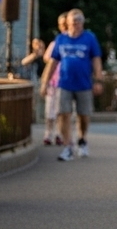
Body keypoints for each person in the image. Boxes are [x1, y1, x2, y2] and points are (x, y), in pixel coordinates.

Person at [40, 9, 103, 162]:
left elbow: (96, 60)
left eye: (78, 21)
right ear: (67, 23)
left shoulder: (89, 38)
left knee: (84, 115)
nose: (75, 24)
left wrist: (98, 80)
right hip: (64, 83)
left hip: (84, 84)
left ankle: (82, 139)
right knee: (63, 114)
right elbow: (53, 62)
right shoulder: (61, 39)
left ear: (83, 23)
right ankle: (68, 146)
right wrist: (45, 82)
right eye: (73, 21)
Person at [41, 14, 69, 146]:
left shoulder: (73, 42)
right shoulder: (56, 42)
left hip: (66, 82)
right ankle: (48, 133)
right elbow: (48, 59)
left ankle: (59, 133)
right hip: (54, 81)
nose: (63, 27)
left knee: (62, 110)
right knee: (50, 110)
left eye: (65, 24)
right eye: (61, 24)